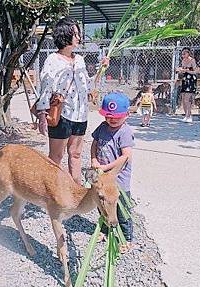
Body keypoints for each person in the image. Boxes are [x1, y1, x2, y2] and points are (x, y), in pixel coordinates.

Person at [36, 17, 108, 184]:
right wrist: (41, 116)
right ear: (65, 35)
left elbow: (88, 85)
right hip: (62, 115)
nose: (79, 37)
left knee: (75, 154)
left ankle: (75, 191)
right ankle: (51, 192)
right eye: (75, 33)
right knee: (56, 156)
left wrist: (102, 68)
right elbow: (45, 88)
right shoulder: (53, 60)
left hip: (81, 115)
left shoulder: (80, 60)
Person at [91, 92, 135, 252]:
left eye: (116, 117)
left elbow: (126, 156)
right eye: (108, 117)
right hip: (102, 177)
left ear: (127, 115)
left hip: (118, 180)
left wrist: (106, 167)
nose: (111, 120)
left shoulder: (125, 132)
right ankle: (104, 231)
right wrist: (94, 159)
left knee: (121, 210)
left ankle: (126, 237)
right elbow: (94, 144)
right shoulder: (102, 127)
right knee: (102, 205)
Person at [177, 47, 197, 123]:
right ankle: (187, 115)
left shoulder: (192, 60)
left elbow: (194, 71)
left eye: (184, 53)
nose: (183, 55)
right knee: (183, 98)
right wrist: (180, 71)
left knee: (187, 99)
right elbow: (183, 71)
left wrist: (186, 70)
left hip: (191, 80)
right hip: (185, 80)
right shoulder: (183, 61)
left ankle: (189, 116)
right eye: (182, 54)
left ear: (188, 53)